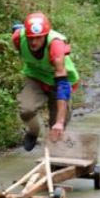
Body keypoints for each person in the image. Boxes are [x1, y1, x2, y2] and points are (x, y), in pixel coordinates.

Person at [11, 12, 79, 151]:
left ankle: (55, 157)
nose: (34, 42)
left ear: (46, 36)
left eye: (38, 38)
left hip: (59, 82)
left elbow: (62, 84)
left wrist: (59, 122)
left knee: (57, 130)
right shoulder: (18, 38)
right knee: (26, 109)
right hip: (35, 77)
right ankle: (33, 132)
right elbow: (17, 30)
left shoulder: (56, 46)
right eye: (30, 38)